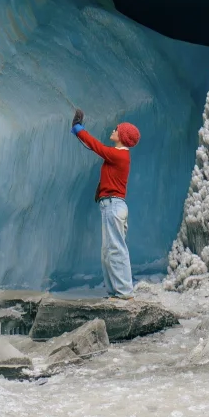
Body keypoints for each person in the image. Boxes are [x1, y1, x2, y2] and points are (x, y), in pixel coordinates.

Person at [71, 108, 141, 298]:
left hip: (113, 206)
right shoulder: (119, 155)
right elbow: (110, 176)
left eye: (117, 129)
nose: (114, 130)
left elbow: (96, 147)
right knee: (108, 251)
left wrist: (79, 129)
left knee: (115, 249)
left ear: (122, 137)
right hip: (111, 205)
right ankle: (114, 292)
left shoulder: (119, 154)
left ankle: (124, 292)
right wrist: (101, 190)